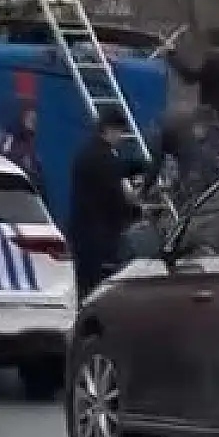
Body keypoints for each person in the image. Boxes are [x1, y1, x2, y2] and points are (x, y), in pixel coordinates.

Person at [67, 110, 145, 304]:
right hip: (98, 234)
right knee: (98, 289)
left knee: (84, 285)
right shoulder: (103, 158)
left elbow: (118, 168)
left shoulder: (88, 152)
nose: (121, 138)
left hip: (82, 231)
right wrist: (137, 212)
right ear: (109, 130)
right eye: (119, 132)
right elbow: (113, 196)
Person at [142, 105, 219, 213]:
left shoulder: (157, 131)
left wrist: (144, 191)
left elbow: (156, 163)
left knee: (195, 191)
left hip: (191, 155)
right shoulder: (213, 134)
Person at [0, 101, 51, 212]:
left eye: (35, 120)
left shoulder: (30, 145)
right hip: (10, 197)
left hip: (29, 199)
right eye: (30, 118)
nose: (34, 123)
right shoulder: (8, 139)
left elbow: (37, 176)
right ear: (21, 117)